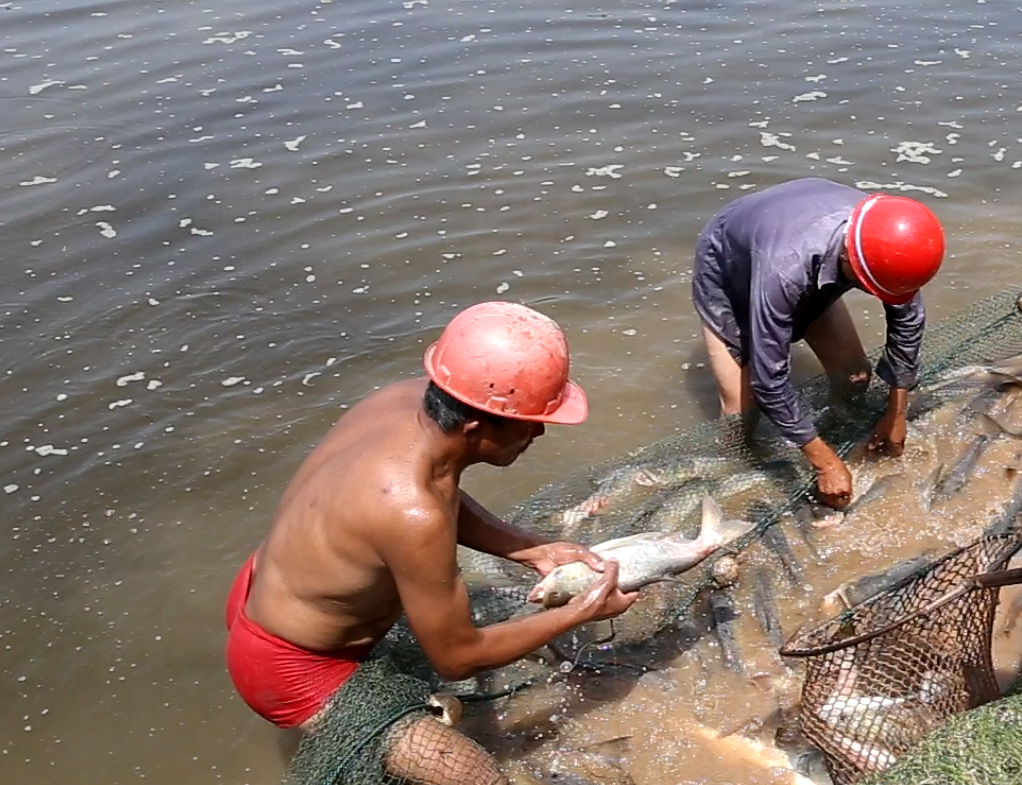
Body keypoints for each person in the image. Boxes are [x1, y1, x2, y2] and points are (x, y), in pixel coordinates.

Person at [225, 302, 638, 785]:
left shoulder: (405, 402)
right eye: (529, 420)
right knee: (480, 779)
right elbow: (458, 657)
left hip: (266, 584)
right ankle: (347, 734)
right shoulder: (412, 514)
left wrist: (529, 548)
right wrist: (580, 611)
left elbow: (439, 488)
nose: (539, 431)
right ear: (476, 428)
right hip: (291, 667)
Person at [692, 177, 945, 509]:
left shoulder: (894, 240)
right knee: (742, 412)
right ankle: (729, 476)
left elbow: (908, 323)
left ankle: (828, 431)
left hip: (801, 244)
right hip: (731, 268)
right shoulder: (784, 270)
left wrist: (897, 412)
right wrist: (825, 463)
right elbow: (769, 380)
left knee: (855, 376)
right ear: (852, 266)